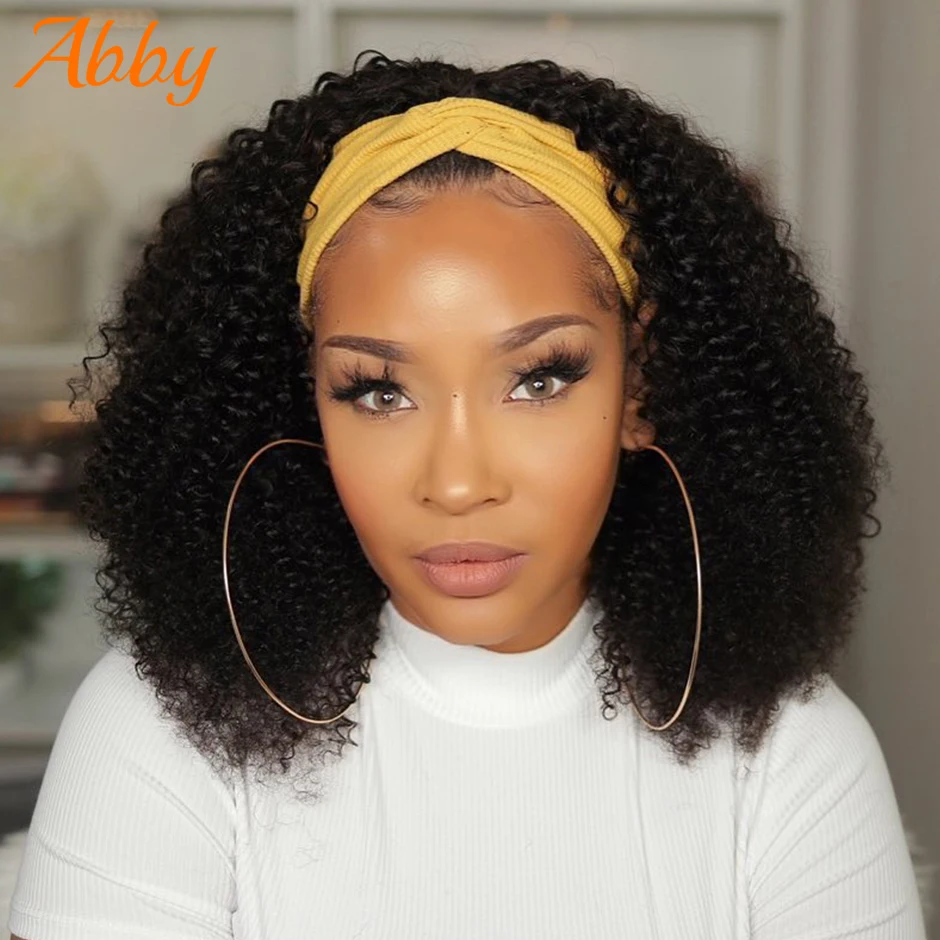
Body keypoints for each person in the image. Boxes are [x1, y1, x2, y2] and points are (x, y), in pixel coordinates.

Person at [7, 51, 927, 940]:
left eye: (539, 379)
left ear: (640, 387)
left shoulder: (793, 757)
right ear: (306, 402)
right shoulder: (159, 732)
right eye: (378, 391)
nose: (456, 484)